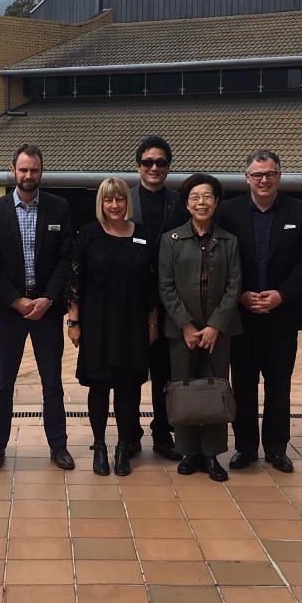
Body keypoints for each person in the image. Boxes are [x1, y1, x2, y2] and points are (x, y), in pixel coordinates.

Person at [218, 149, 302, 473]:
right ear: (247, 177)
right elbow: (223, 261)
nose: (264, 179)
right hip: (242, 315)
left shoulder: (300, 211)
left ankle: (276, 448)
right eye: (257, 174)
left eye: (270, 174)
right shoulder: (229, 212)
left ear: (279, 176)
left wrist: (283, 294)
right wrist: (240, 295)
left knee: (279, 385)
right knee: (243, 386)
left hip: (282, 316)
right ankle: (245, 448)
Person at [0, 144, 75, 471]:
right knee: (3, 382)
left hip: (47, 310)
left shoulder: (59, 208)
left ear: (41, 172)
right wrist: (16, 300)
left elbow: (66, 259)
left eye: (34, 170)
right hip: (10, 311)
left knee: (52, 382)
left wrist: (48, 298)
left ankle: (58, 446)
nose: (29, 175)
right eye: (23, 170)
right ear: (13, 170)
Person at [68, 177, 157, 477]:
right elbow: (75, 282)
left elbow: (151, 285)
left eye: (119, 199)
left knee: (128, 389)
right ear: (101, 204)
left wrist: (152, 322)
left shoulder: (144, 236)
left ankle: (123, 447)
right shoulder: (89, 235)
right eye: (108, 200)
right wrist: (74, 321)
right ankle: (100, 446)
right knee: (99, 388)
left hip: (132, 324)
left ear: (127, 202)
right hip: (97, 324)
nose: (115, 205)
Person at [158, 173, 242, 481]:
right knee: (184, 389)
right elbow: (166, 286)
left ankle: (211, 455)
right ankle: (188, 452)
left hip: (218, 332)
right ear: (187, 203)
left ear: (217, 202)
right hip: (182, 332)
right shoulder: (171, 240)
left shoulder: (229, 241)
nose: (201, 202)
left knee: (215, 389)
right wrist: (186, 324)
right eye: (195, 197)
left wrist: (215, 325)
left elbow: (234, 285)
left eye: (207, 196)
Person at [129, 135, 187, 461]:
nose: (154, 167)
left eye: (160, 162)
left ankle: (163, 433)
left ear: (167, 167)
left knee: (164, 374)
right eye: (148, 162)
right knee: (132, 372)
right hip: (131, 301)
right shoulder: (125, 199)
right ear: (138, 165)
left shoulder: (178, 204)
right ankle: (130, 432)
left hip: (167, 302)